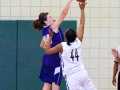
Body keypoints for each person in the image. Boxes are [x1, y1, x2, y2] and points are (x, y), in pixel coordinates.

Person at [45, 1, 97, 90]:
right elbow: (82, 24)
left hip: (72, 77)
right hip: (83, 73)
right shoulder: (78, 41)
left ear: (65, 37)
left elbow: (47, 51)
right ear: (75, 36)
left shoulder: (62, 46)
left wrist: (50, 37)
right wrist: (82, 9)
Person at [31, 0, 72, 90]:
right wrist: (69, 1)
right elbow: (63, 14)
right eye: (50, 17)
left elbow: (42, 45)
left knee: (46, 84)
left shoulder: (44, 30)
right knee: (55, 85)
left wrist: (50, 47)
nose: (52, 17)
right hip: (55, 59)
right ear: (46, 21)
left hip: (46, 59)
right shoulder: (53, 27)